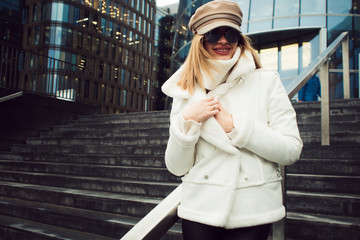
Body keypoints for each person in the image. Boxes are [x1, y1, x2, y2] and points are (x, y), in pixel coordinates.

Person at [161, 1, 303, 239]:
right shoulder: (185, 90)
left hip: (253, 210)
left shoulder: (266, 82)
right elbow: (177, 167)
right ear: (200, 40)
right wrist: (188, 122)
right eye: (214, 34)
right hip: (200, 211)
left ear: (240, 38)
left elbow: (290, 150)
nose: (223, 41)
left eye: (231, 34)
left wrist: (238, 128)